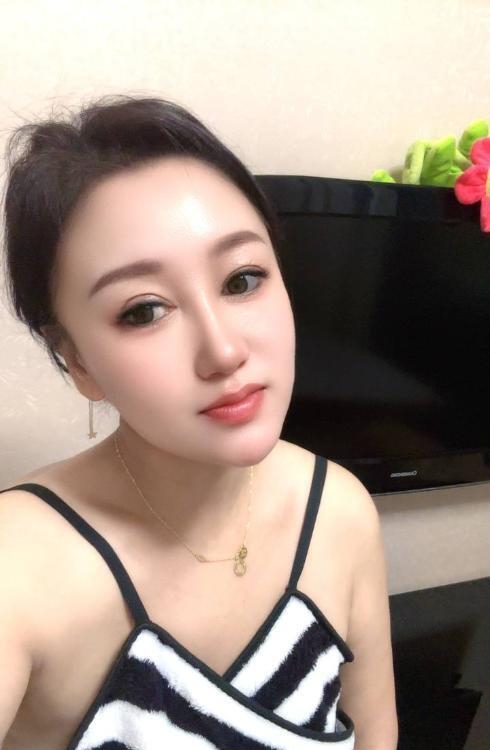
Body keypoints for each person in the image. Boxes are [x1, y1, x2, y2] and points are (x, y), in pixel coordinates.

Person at [0, 95, 398, 750]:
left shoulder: (337, 510)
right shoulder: (20, 566)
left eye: (242, 279)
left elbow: (377, 733)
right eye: (144, 310)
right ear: (78, 360)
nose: (223, 351)